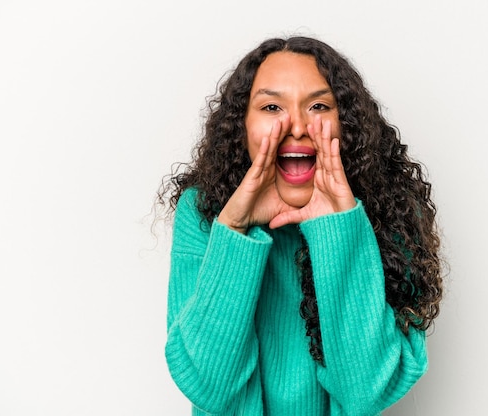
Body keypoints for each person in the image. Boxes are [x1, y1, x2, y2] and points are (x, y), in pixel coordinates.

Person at [157, 36, 443, 415]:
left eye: (319, 106)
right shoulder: (204, 211)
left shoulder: (391, 212)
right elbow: (207, 385)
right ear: (241, 126)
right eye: (272, 106)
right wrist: (235, 229)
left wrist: (337, 229)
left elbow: (366, 392)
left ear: (347, 125)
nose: (295, 126)